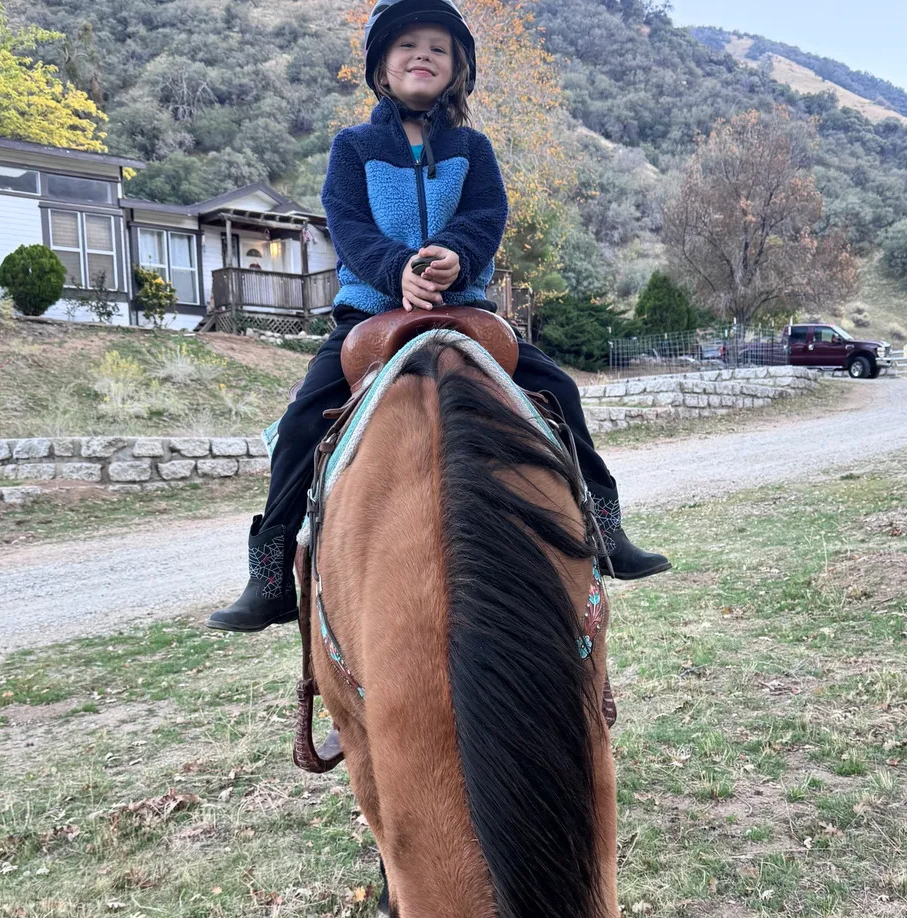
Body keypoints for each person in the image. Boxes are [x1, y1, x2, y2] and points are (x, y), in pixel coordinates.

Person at [208, 0, 670, 633]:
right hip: (371, 315)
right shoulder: (354, 148)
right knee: (298, 426)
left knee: (557, 390)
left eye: (437, 47)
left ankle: (601, 522)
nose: (421, 54)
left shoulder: (472, 149)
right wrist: (395, 268)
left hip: (466, 312)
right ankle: (269, 572)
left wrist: (457, 255)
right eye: (406, 45)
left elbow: (487, 214)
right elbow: (347, 223)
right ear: (380, 68)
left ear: (457, 69)